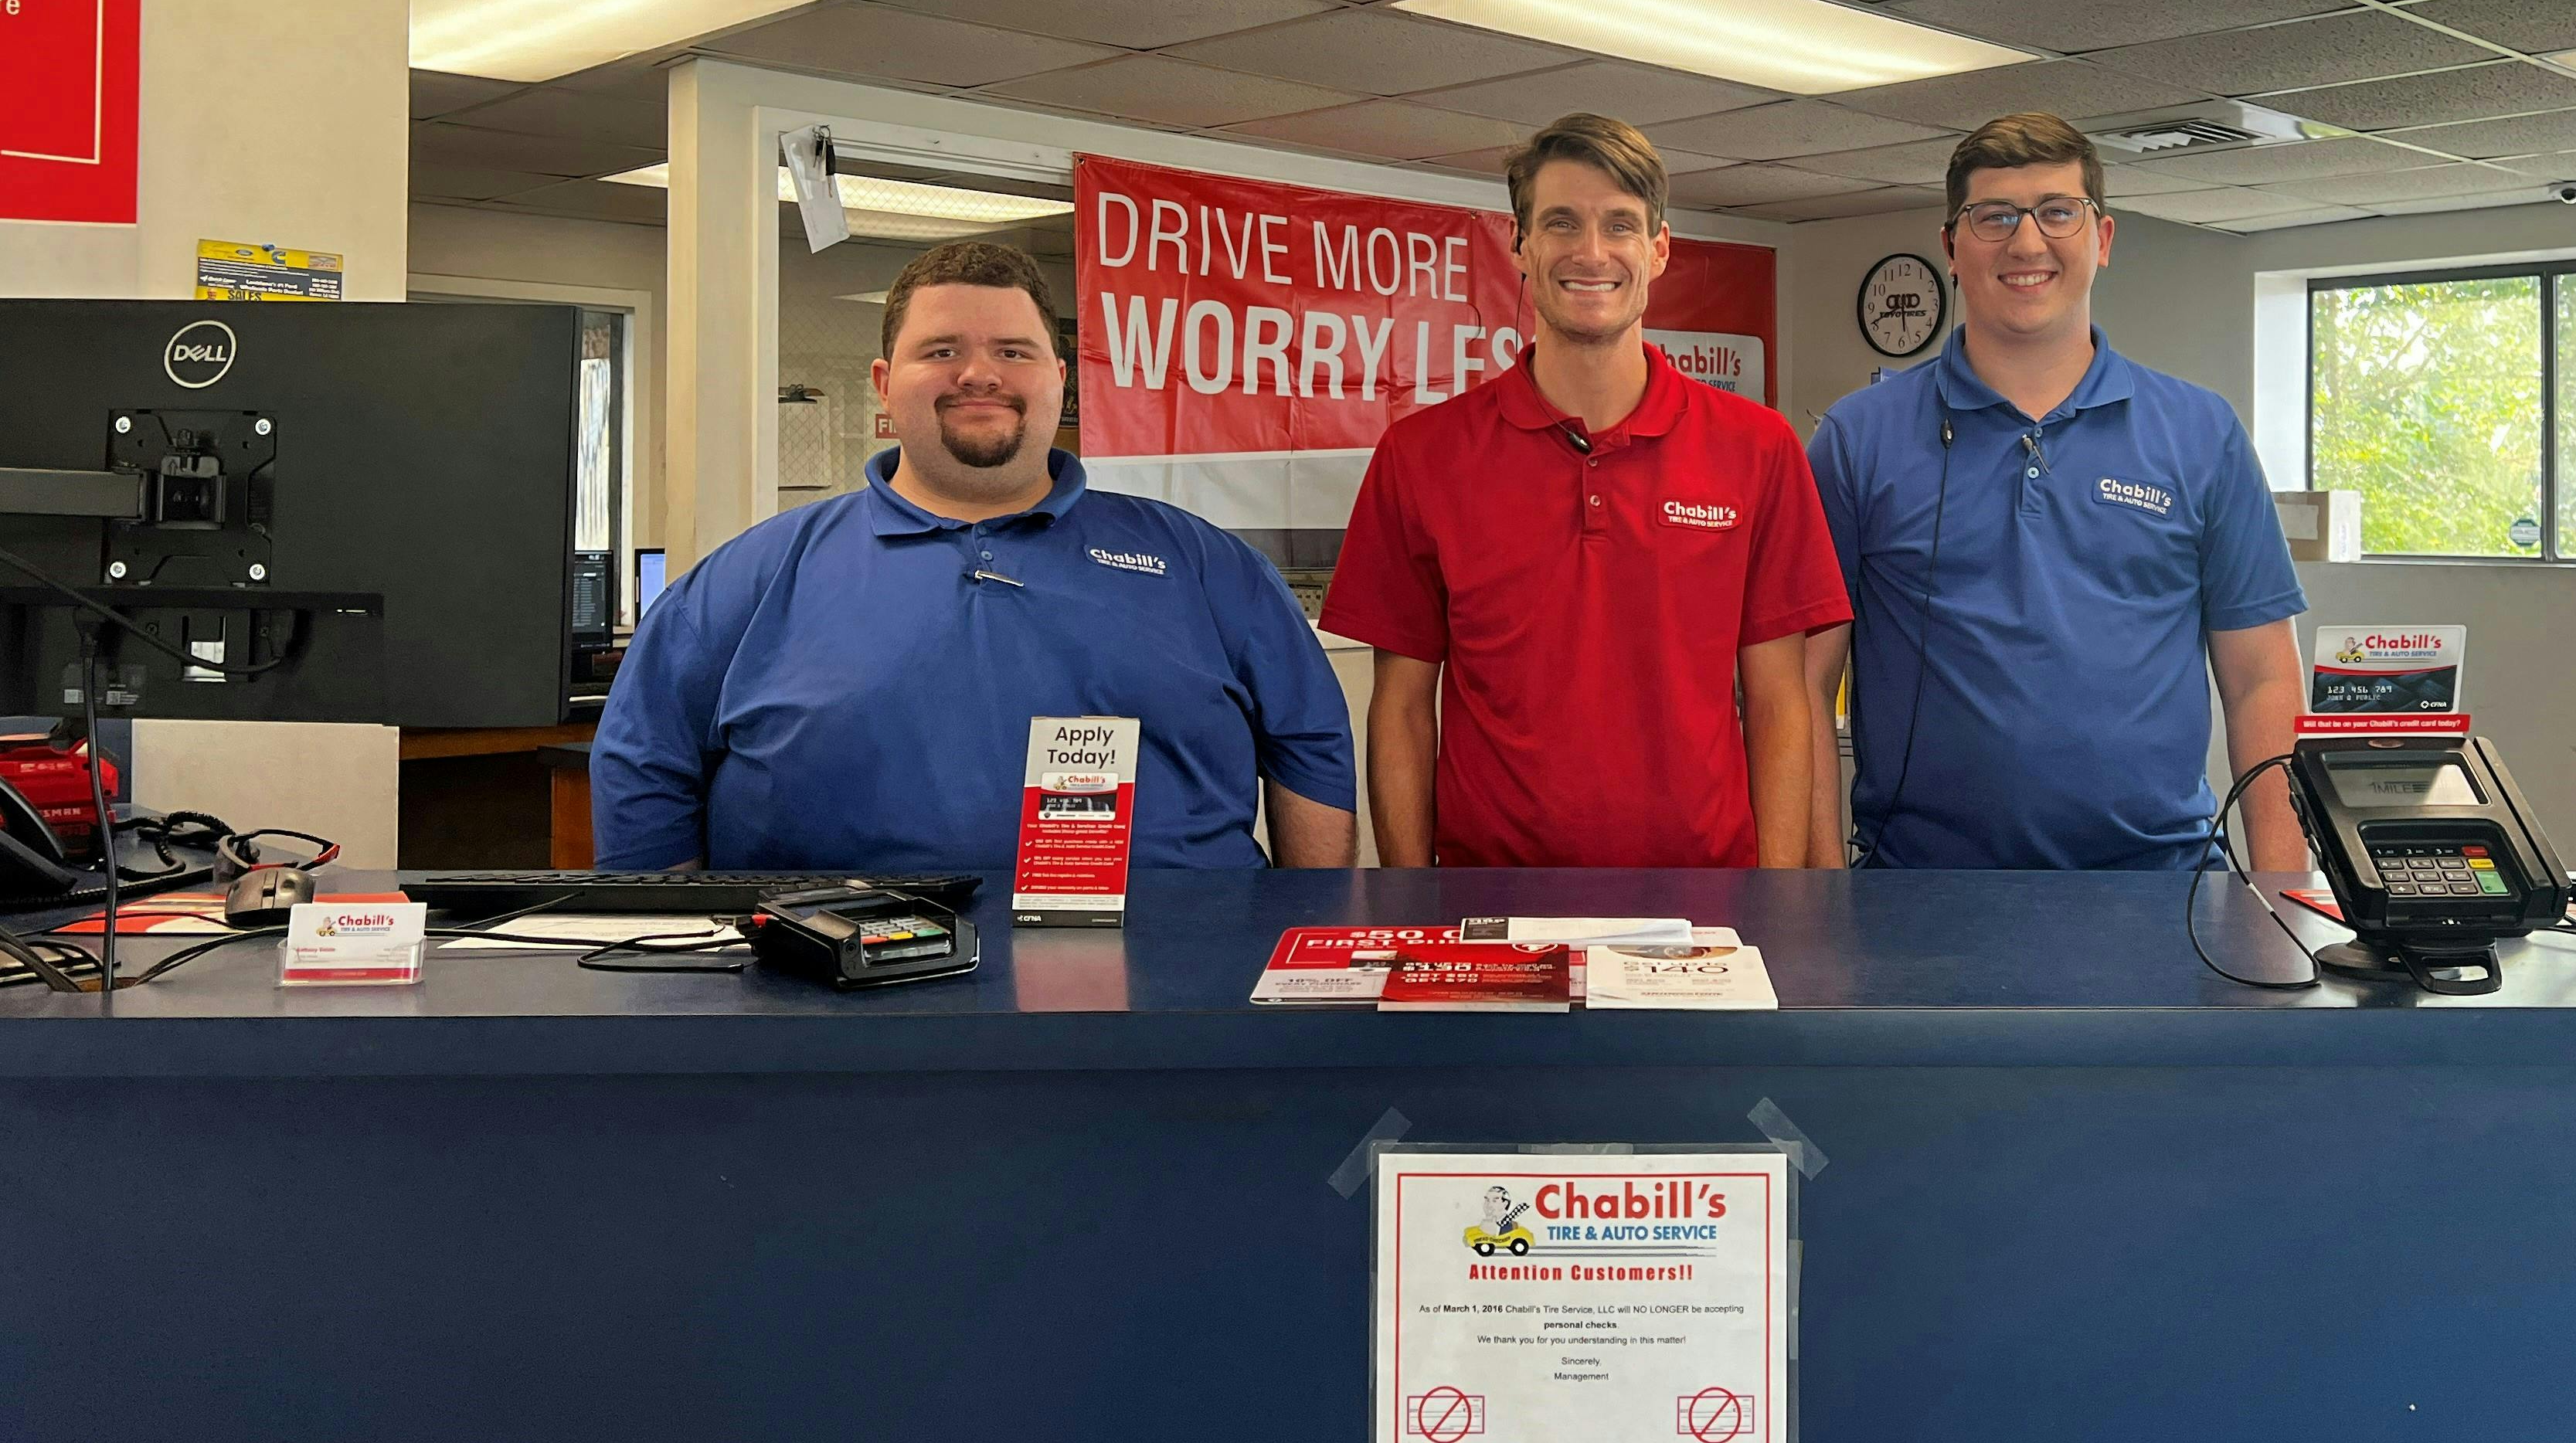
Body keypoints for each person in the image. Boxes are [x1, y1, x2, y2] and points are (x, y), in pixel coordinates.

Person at [593, 239, 1356, 882]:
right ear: (886, 387)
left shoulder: (1209, 568)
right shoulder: (750, 581)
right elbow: (644, 764)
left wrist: (1306, 936)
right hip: (827, 1003)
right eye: (942, 350)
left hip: (1175, 1002)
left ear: (1060, 380)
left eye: (1014, 351)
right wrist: (684, 957)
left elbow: (1308, 748)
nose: (979, 374)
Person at [1323, 114, 1848, 869]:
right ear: (1521, 246)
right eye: (1561, 223)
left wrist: (1780, 901)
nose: (1591, 252)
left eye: (1621, 226)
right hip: (1491, 916)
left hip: (1705, 923)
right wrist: (1415, 899)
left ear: (1659, 248)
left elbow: (1779, 705)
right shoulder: (1421, 455)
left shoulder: (1758, 448)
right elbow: (1402, 709)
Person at [1806, 113, 2308, 873]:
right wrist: (1811, 895)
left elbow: (2263, 678)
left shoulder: (2202, 433)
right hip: (1916, 899)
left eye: (2057, 212)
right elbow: (1801, 689)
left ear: (2102, 239)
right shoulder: (1857, 439)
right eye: (1994, 216)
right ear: (1950, 247)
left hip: (2161, 893)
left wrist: (2284, 892)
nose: (2027, 242)